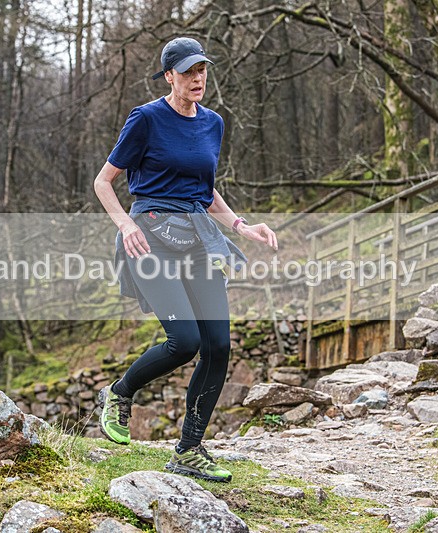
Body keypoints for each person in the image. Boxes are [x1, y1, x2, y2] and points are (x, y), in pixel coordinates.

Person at [92, 37, 278, 483]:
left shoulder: (212, 123)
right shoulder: (146, 119)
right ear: (169, 75)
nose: (198, 79)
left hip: (198, 237)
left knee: (218, 344)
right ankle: (119, 393)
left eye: (203, 71)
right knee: (185, 341)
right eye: (189, 72)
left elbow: (204, 188)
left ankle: (189, 450)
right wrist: (125, 224)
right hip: (149, 238)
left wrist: (241, 226)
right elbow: (103, 182)